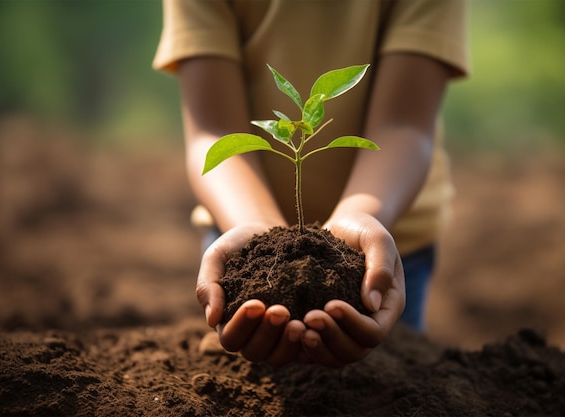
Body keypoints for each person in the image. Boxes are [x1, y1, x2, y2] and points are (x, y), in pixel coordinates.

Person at [153, 0, 468, 367]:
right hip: (242, 242)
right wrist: (257, 234)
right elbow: (215, 130)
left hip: (381, 250)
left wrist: (361, 217)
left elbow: (404, 126)